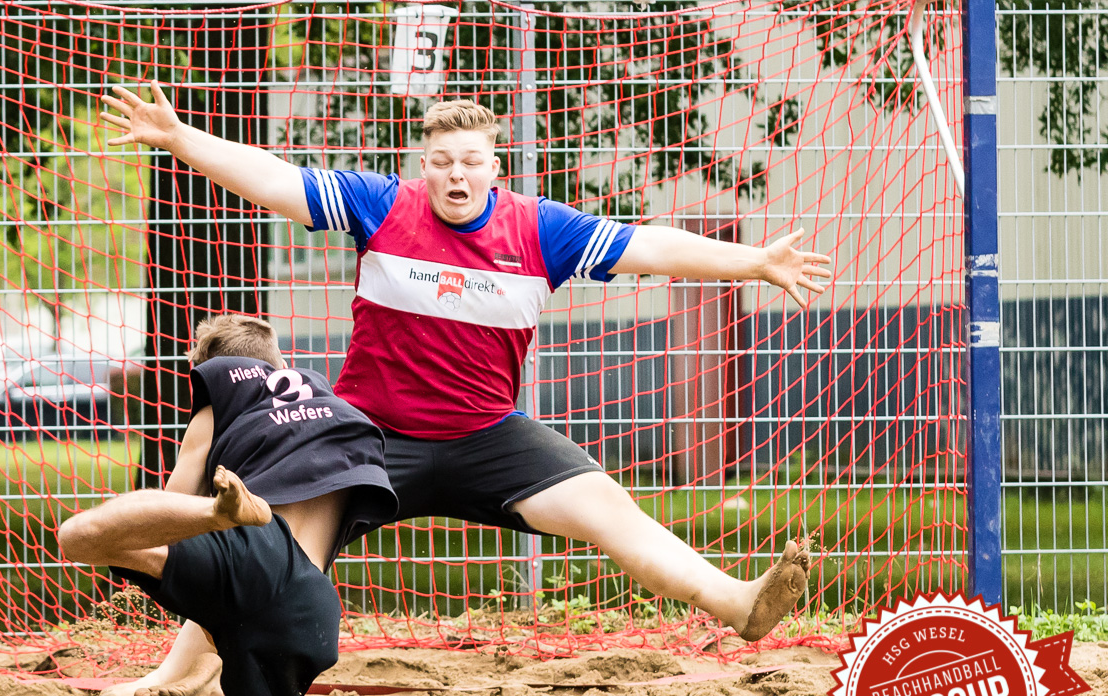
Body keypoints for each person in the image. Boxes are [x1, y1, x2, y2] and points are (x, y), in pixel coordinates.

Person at [101, 86, 827, 642]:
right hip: (370, 437)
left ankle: (738, 601)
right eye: (443, 162)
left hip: (487, 436)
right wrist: (180, 138)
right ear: (425, 166)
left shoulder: (540, 228)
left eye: (471, 162)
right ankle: (186, 669)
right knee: (278, 557)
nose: (457, 174)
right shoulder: (381, 205)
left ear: (494, 168)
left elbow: (655, 246)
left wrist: (756, 262)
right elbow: (270, 176)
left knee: (612, 511)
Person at [58, 314, 396, 696]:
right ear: (279, 363)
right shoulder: (342, 416)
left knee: (83, 535)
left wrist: (211, 516)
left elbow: (170, 507)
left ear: (202, 365)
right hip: (313, 603)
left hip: (253, 548)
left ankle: (218, 514)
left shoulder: (223, 403)